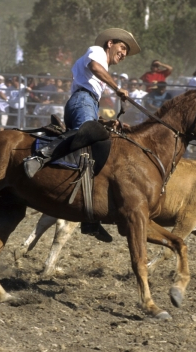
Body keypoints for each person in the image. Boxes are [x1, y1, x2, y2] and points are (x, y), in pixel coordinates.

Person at [64, 27, 140, 242]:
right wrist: (117, 87)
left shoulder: (95, 68)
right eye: (122, 47)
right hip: (84, 101)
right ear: (110, 43)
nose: (124, 53)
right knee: (92, 150)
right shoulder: (96, 51)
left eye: (126, 51)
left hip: (84, 103)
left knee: (87, 150)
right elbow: (95, 67)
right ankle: (89, 218)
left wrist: (104, 121)